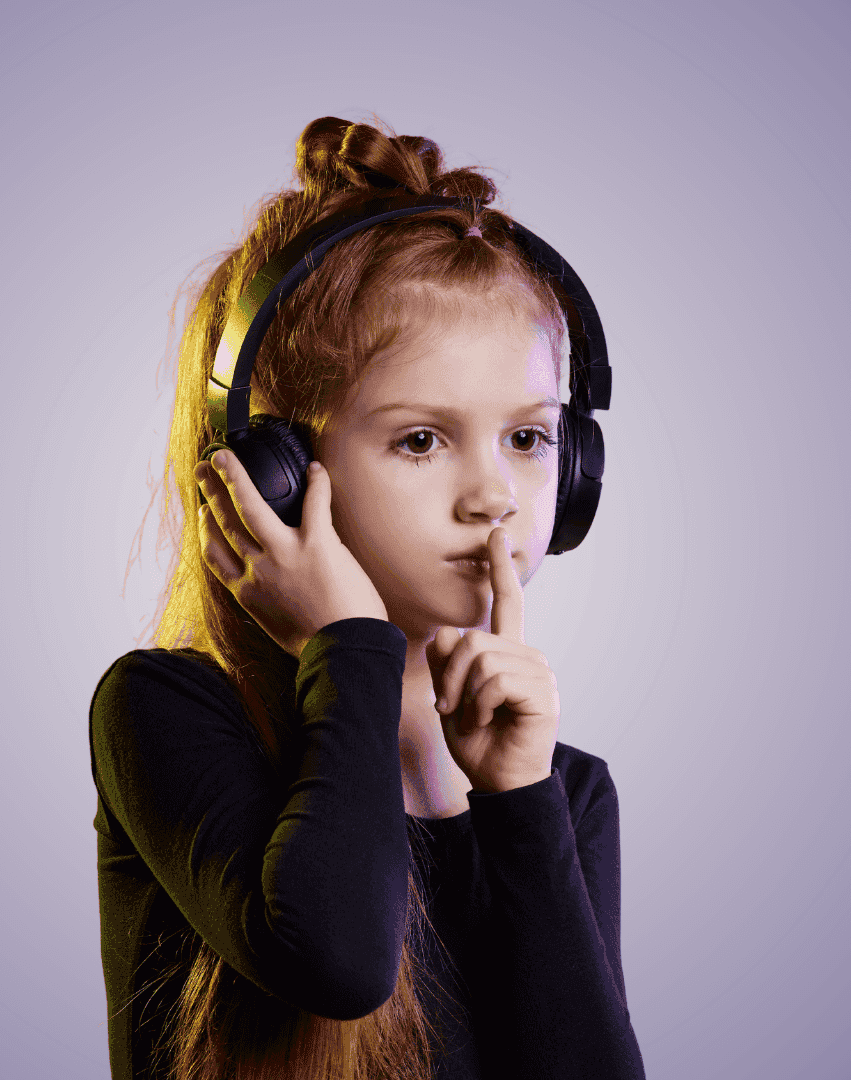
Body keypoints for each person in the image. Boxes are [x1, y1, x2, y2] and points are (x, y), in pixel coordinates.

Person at [90, 116, 644, 1080]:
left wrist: (517, 801)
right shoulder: (163, 712)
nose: (494, 497)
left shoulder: (562, 791)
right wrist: (347, 640)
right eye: (421, 440)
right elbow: (337, 961)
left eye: (529, 438)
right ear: (284, 473)